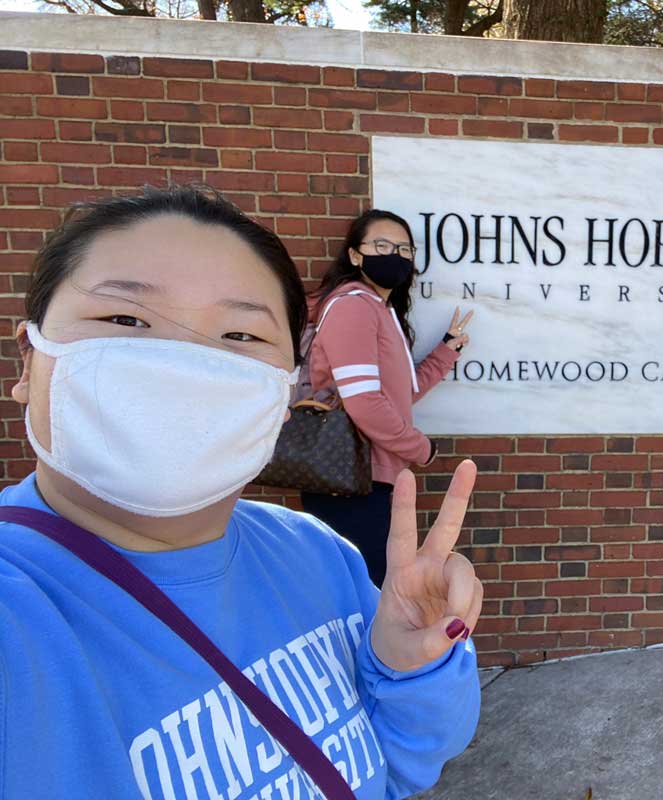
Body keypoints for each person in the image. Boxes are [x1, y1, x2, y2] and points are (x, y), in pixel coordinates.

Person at [0, 186, 483, 797]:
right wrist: (421, 451)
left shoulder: (313, 554)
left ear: (281, 390)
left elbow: (392, 772)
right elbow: (367, 401)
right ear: (28, 360)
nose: (182, 365)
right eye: (125, 319)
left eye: (239, 337)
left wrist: (407, 666)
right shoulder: (19, 618)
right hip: (362, 477)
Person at [301, 210, 473, 585]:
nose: (394, 255)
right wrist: (419, 448)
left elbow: (401, 395)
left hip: (373, 477)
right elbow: (364, 403)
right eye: (381, 245)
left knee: (376, 593)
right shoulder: (352, 306)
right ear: (354, 255)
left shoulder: (380, 311)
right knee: (367, 595)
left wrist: (446, 350)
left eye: (403, 248)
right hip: (348, 478)